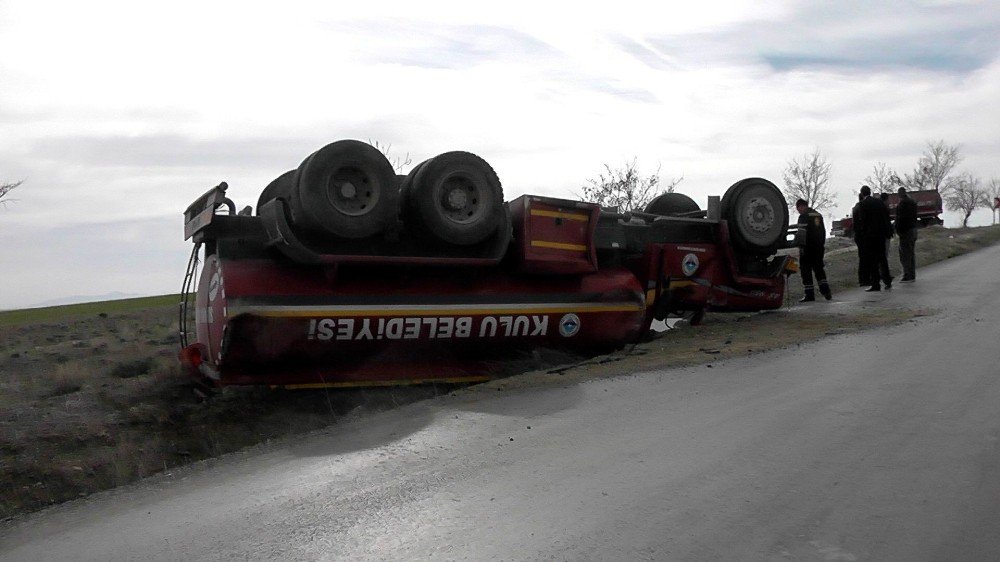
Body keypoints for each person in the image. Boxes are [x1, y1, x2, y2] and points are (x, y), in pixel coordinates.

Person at [855, 185, 893, 292]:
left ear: (862, 193)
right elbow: (886, 217)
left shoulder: (863, 204)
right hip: (881, 235)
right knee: (882, 258)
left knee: (872, 260)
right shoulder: (879, 202)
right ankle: (887, 281)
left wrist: (863, 235)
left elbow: (863, 221)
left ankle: (875, 284)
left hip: (870, 236)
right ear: (870, 192)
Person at [794, 198, 832, 301]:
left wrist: (799, 245)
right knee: (819, 269)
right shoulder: (818, 215)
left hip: (807, 248)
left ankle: (809, 294)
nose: (798, 211)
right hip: (818, 248)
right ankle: (826, 292)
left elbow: (801, 234)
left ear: (801, 206)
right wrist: (821, 245)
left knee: (806, 271)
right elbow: (823, 231)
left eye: (798, 209)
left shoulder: (803, 216)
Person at [895, 186, 918, 282]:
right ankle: (912, 274)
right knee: (911, 253)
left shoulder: (902, 204)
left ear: (900, 194)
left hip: (905, 231)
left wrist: (898, 230)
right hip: (913, 229)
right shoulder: (913, 203)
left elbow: (900, 219)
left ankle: (907, 274)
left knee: (905, 255)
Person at [851, 194, 869, 286]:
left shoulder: (855, 207)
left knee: (862, 257)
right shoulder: (862, 207)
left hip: (858, 235)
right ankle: (865, 279)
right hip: (863, 235)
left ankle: (862, 279)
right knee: (865, 257)